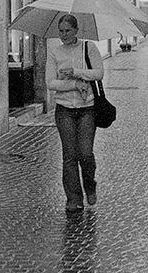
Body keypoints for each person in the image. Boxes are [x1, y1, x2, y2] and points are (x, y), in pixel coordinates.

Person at [45, 14, 104, 213]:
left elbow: (98, 73)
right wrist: (73, 84)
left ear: (76, 30)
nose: (64, 35)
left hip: (87, 108)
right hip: (64, 110)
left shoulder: (89, 48)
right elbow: (50, 83)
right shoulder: (55, 52)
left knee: (85, 153)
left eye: (67, 31)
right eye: (61, 31)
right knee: (69, 156)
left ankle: (90, 184)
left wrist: (77, 72)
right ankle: (74, 198)